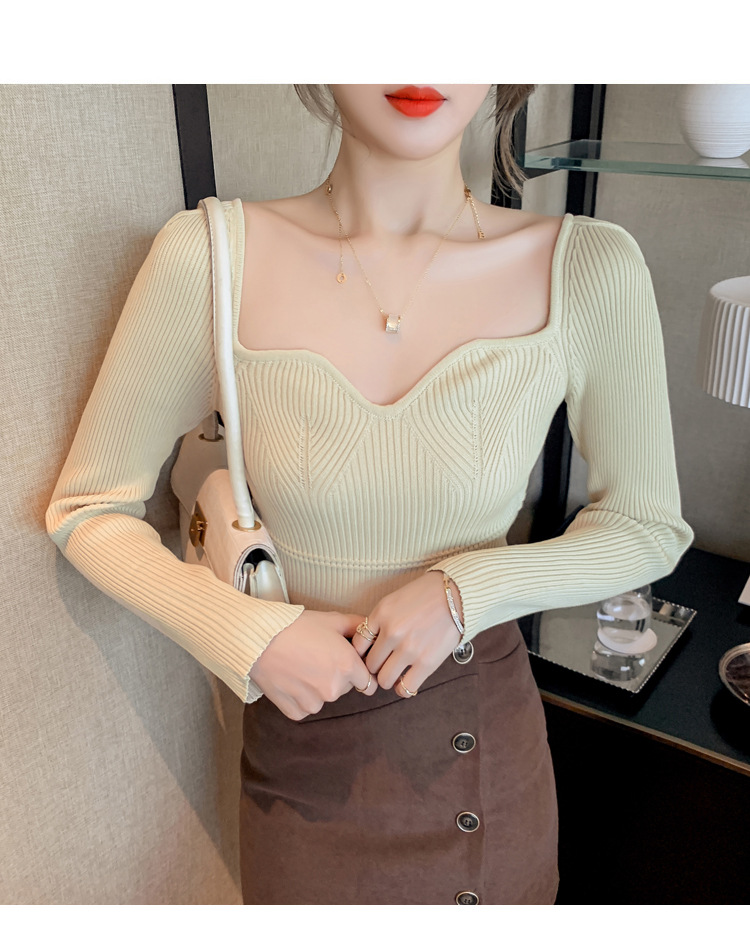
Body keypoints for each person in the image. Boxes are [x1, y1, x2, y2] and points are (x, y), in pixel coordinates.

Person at [46, 84, 693, 905]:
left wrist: (467, 591)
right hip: (305, 771)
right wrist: (250, 636)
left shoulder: (590, 266)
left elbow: (645, 525)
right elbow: (88, 508)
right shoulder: (208, 258)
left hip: (482, 756)